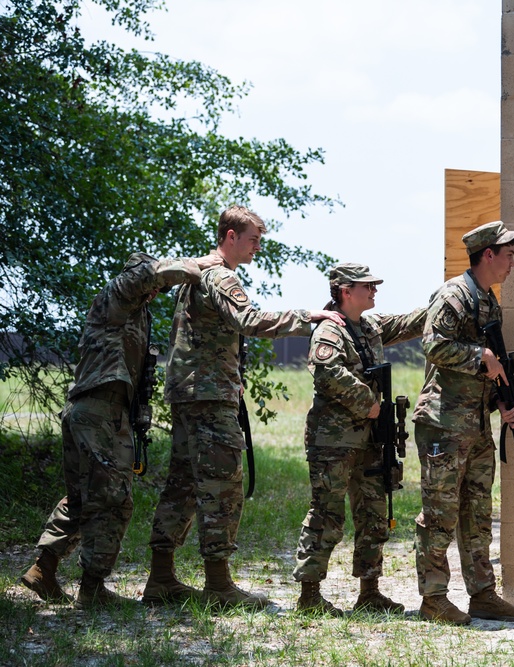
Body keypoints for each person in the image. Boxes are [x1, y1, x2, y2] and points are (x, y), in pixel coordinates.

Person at [142, 205, 343, 609]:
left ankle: (161, 578)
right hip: (210, 397)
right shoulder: (220, 275)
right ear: (230, 237)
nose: (257, 247)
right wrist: (308, 317)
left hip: (189, 394)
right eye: (252, 239)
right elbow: (248, 319)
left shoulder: (196, 275)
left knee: (181, 486)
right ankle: (218, 586)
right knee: (222, 488)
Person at [20, 251, 222, 609]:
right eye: (151, 285)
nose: (154, 293)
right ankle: (92, 588)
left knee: (83, 499)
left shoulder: (137, 314)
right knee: (112, 501)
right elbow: (146, 276)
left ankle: (43, 569)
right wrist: (198, 264)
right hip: (100, 412)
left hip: (94, 411)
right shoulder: (117, 294)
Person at [412, 220, 514, 625]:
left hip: (476, 425)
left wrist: (505, 401)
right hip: (444, 424)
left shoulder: (488, 300)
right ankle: (433, 600)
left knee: (477, 513)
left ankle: (482, 594)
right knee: (440, 513)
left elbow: (492, 366)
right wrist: (480, 356)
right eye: (509, 254)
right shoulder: (454, 295)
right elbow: (432, 344)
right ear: (488, 255)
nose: (513, 261)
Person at [292, 263, 426, 614]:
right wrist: (368, 404)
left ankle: (370, 592)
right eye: (368, 286)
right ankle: (309, 596)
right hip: (333, 441)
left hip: (369, 441)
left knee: (373, 514)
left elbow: (410, 322)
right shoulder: (328, 330)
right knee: (327, 514)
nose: (375, 291)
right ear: (345, 291)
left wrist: (443, 301)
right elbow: (326, 373)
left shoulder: (370, 327)